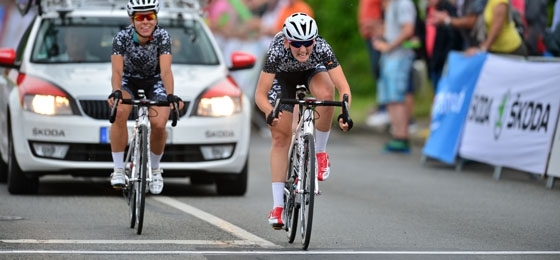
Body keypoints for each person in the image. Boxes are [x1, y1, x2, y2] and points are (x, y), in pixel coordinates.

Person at [254, 12, 352, 229]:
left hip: (311, 72)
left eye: (308, 43)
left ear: (314, 40)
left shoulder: (321, 48)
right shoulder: (276, 50)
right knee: (281, 137)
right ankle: (278, 206)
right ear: (288, 41)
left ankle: (320, 152)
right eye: (297, 43)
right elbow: (260, 95)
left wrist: (345, 112)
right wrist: (270, 111)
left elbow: (343, 88)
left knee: (327, 94)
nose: (303, 49)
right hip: (282, 80)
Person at [107, 0, 183, 194]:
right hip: (128, 80)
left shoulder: (162, 36)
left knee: (159, 124)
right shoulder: (121, 37)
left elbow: (166, 71)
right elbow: (116, 71)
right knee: (120, 111)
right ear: (132, 20)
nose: (146, 22)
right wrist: (116, 91)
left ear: (156, 18)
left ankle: (156, 169)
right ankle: (117, 169)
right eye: (140, 17)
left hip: (154, 80)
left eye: (150, 16)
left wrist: (171, 95)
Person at [373, 0, 416, 153]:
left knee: (397, 97)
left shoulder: (403, 3)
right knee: (389, 97)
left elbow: (408, 30)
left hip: (399, 57)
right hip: (389, 57)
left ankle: (403, 137)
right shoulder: (391, 3)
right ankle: (397, 134)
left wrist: (389, 46)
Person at [424, 0, 463, 91]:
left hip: (445, 61)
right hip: (433, 61)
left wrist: (445, 21)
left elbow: (455, 36)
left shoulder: (448, 9)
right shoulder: (428, 10)